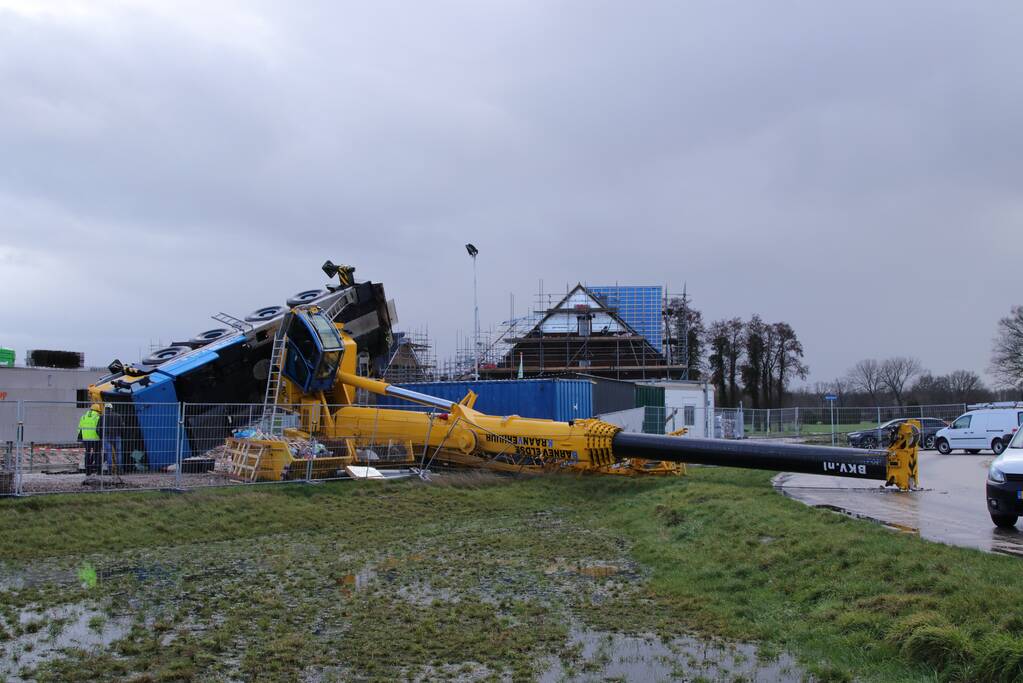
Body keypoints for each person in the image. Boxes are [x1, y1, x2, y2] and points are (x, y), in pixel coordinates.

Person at [100, 403, 124, 474]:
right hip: (117, 436)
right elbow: (122, 427)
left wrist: (101, 436)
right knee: (118, 453)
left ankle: (110, 470)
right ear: (111, 408)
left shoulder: (102, 417)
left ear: (105, 408)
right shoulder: (118, 416)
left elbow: (99, 427)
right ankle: (119, 470)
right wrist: (121, 435)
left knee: (109, 453)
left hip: (106, 436)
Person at [78, 404, 101, 475]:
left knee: (87, 453)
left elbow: (79, 429)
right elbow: (99, 428)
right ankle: (98, 470)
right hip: (95, 438)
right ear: (97, 410)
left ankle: (88, 470)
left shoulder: (83, 417)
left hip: (86, 439)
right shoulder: (97, 417)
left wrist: (82, 437)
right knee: (97, 453)